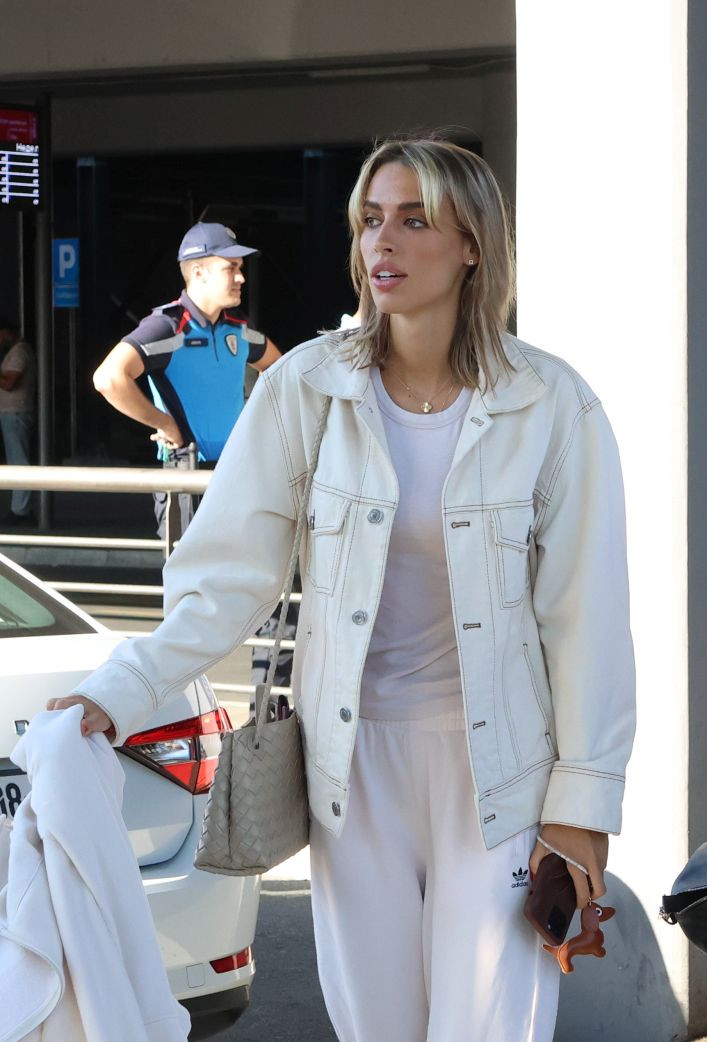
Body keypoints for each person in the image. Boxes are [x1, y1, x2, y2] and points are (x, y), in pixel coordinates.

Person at [50, 137, 636, 1042]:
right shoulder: (307, 389)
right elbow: (226, 575)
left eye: (414, 220)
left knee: (489, 1028)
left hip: (503, 777)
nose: (382, 243)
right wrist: (120, 689)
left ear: (472, 244)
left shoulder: (551, 404)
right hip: (352, 772)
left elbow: (586, 620)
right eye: (370, 220)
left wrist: (582, 807)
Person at [92, 222, 283, 539]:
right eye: (231, 268)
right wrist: (164, 423)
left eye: (240, 268)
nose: (241, 278)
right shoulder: (167, 327)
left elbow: (280, 369)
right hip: (187, 475)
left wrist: (257, 422)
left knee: (238, 569)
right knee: (191, 571)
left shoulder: (237, 328)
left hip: (237, 472)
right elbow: (108, 379)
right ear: (198, 273)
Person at [0, 317, 36, 526]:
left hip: (16, 413)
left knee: (18, 462)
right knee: (16, 460)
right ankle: (20, 508)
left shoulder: (19, 352)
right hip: (12, 413)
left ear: (6, 333)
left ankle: (21, 510)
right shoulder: (16, 351)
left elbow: (9, 383)